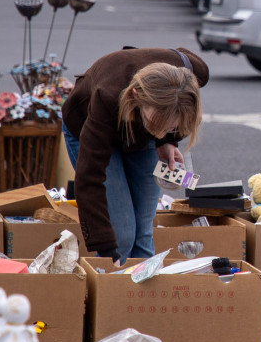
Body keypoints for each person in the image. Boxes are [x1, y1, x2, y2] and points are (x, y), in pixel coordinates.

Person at [61, 47, 208, 263]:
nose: (161, 132)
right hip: (89, 125)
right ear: (137, 95)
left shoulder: (193, 74)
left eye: (170, 127)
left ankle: (142, 292)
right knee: (121, 235)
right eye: (157, 125)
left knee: (143, 230)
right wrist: (107, 249)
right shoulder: (107, 95)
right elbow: (89, 178)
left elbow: (172, 113)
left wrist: (167, 141)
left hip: (138, 132)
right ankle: (116, 290)